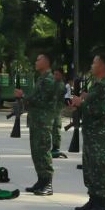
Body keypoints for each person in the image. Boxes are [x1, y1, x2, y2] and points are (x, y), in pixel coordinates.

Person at [72, 54, 105, 210]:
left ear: (102, 65)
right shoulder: (97, 85)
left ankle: (102, 203)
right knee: (90, 166)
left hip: (100, 134)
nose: (92, 65)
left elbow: (101, 111)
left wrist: (81, 104)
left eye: (94, 62)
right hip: (92, 133)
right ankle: (93, 199)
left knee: (99, 167)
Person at [15, 54, 58, 196]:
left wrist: (24, 97)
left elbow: (41, 100)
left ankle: (48, 183)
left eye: (38, 59)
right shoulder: (41, 79)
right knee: (36, 151)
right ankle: (41, 180)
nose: (36, 62)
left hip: (43, 121)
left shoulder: (49, 80)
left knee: (43, 151)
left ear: (46, 62)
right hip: (36, 120)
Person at [51, 68, 67, 157]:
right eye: (54, 74)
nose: (55, 76)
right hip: (53, 110)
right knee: (53, 128)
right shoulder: (55, 84)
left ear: (61, 75)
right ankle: (54, 147)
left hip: (57, 110)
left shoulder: (60, 85)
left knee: (56, 128)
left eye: (57, 74)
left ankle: (56, 148)